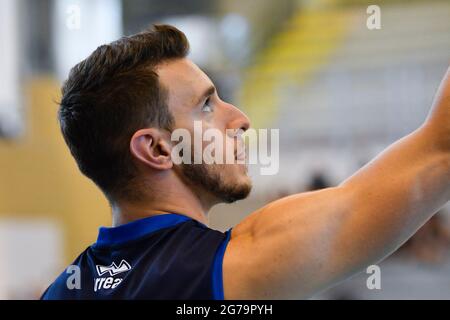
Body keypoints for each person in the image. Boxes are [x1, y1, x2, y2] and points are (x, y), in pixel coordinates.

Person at [41, 24, 450, 299]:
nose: (239, 119)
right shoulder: (220, 269)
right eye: (205, 106)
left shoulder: (61, 289)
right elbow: (440, 151)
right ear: (157, 149)